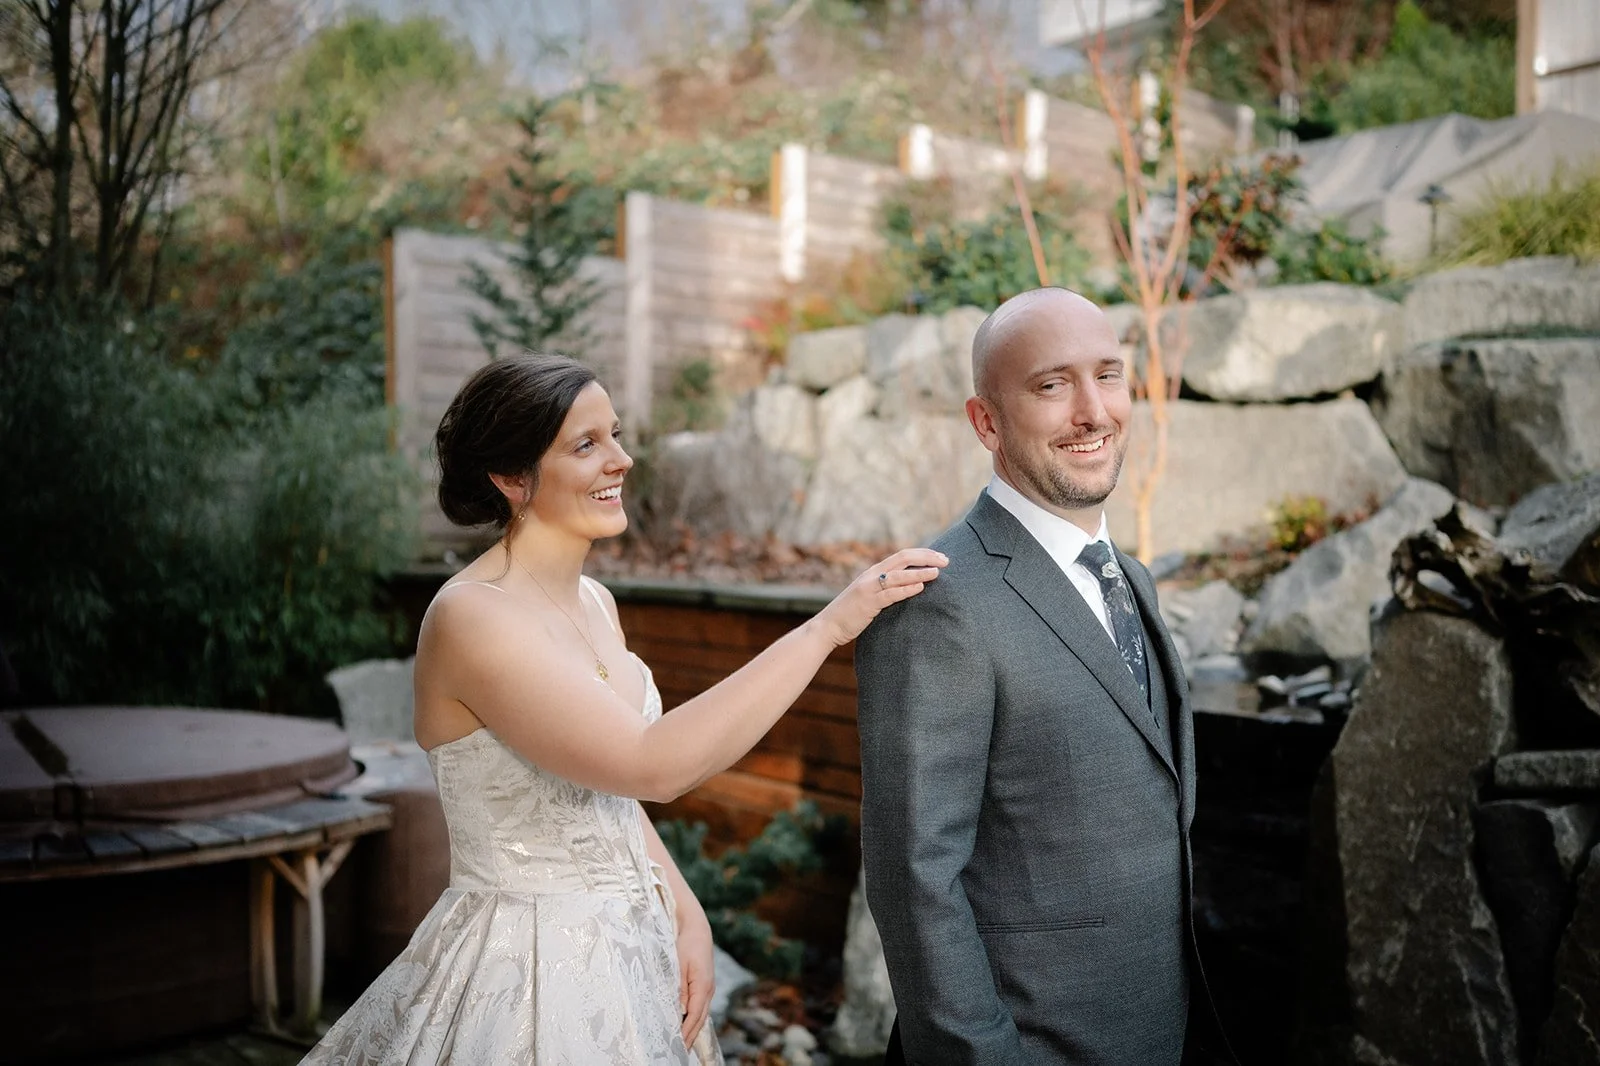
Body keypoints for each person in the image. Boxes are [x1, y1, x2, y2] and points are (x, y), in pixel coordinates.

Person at [301, 354, 944, 1065]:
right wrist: (825, 628)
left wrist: (686, 911)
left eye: (614, 434)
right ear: (512, 479)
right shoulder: (470, 617)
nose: (622, 459)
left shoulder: (596, 602)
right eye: (587, 445)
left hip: (633, 947)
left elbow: (599, 789)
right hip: (532, 972)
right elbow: (651, 766)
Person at [855, 287, 1232, 1066]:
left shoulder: (1128, 576)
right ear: (986, 421)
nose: (1094, 411)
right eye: (1053, 385)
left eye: (1109, 375)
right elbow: (913, 878)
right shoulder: (939, 602)